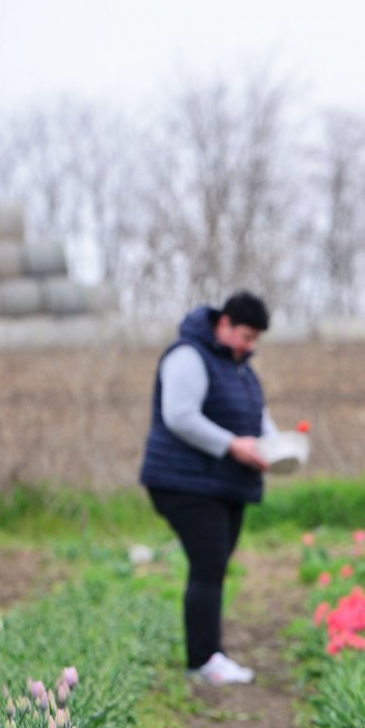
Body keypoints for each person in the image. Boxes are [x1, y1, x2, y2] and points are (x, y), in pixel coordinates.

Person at [140, 292, 281, 685]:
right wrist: (233, 445)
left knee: (213, 567)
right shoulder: (188, 356)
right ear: (224, 324)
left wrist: (277, 445)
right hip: (183, 482)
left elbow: (257, 418)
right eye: (246, 337)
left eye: (255, 340)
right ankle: (204, 660)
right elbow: (179, 416)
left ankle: (208, 656)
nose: (250, 347)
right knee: (208, 566)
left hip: (222, 485)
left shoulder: (238, 369)